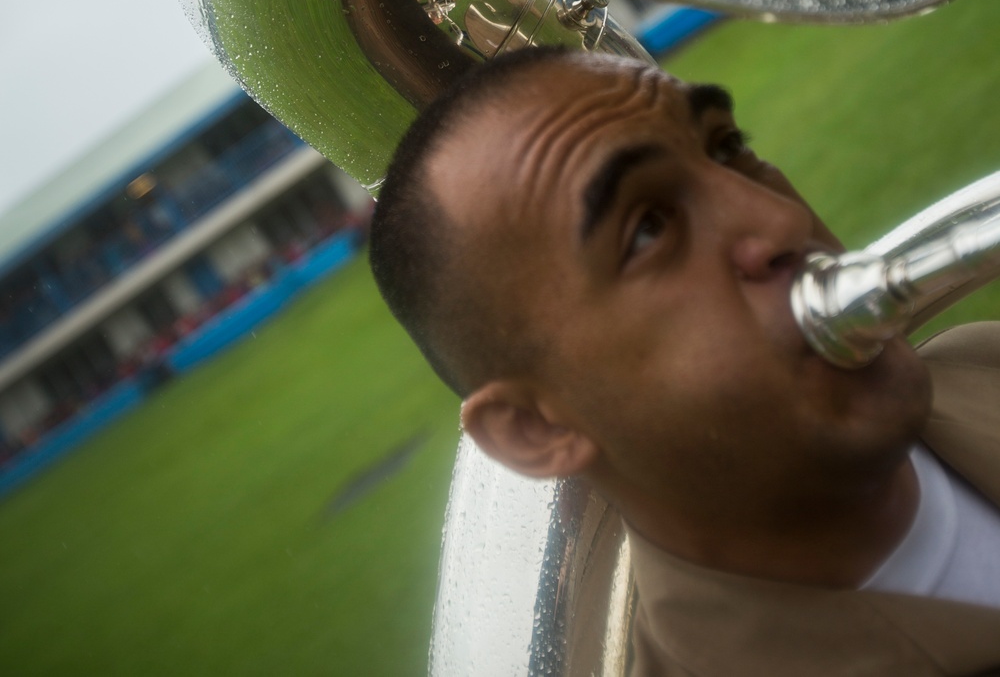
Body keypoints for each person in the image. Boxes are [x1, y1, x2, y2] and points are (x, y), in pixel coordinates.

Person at [369, 47, 1000, 675]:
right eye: (647, 229)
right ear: (537, 430)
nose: (783, 220)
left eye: (728, 148)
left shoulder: (982, 355)